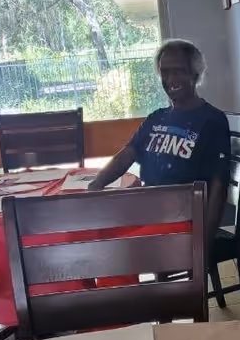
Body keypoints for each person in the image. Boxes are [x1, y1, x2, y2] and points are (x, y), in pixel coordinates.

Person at [89, 39, 230, 245]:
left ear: (195, 73)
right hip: (150, 211)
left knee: (115, 247)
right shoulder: (156, 118)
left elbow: (219, 185)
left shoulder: (212, 121)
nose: (170, 78)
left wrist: (203, 244)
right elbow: (127, 155)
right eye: (165, 71)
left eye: (178, 71)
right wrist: (96, 184)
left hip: (183, 220)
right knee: (95, 233)